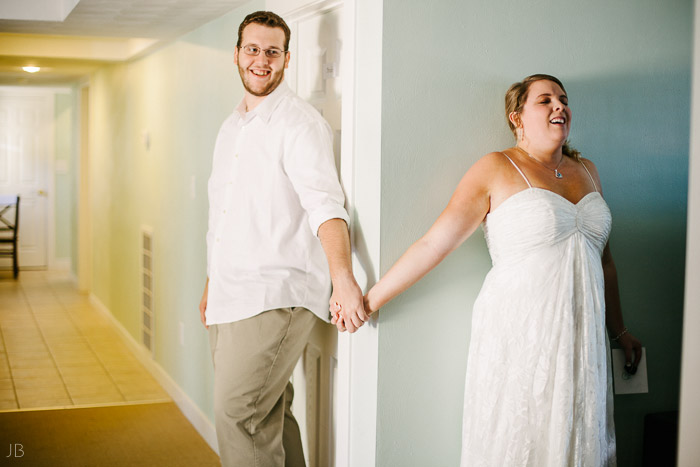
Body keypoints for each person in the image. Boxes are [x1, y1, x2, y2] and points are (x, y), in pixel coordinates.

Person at [334, 74, 642, 466]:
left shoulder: (588, 171)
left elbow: (605, 262)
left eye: (563, 100)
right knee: (521, 440)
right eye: (544, 100)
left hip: (583, 338)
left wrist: (620, 330)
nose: (559, 107)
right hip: (520, 335)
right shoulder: (496, 167)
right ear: (517, 118)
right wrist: (368, 300)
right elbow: (434, 243)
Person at [199, 11, 369, 467]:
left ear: (287, 59)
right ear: (237, 55)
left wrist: (344, 278)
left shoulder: (299, 123)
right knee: (270, 414)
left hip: (274, 293)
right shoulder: (231, 126)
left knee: (238, 417)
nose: (261, 60)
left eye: (272, 52)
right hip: (230, 293)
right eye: (252, 49)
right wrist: (212, 283)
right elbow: (225, 214)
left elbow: (326, 206)